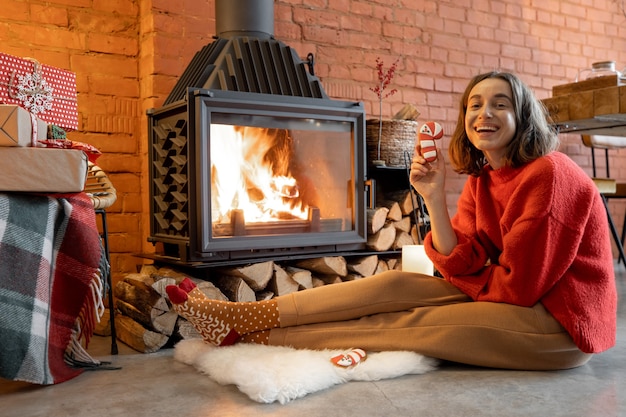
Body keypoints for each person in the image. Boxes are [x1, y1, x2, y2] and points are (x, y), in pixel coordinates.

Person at [166, 71, 617, 370]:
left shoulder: (550, 174)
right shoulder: (484, 179)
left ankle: (259, 338)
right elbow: (458, 262)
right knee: (395, 286)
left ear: (523, 116)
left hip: (557, 324)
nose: (485, 113)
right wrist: (433, 197)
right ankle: (241, 315)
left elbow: (519, 289)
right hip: (508, 295)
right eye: (475, 105)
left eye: (501, 104)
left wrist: (466, 283)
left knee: (412, 321)